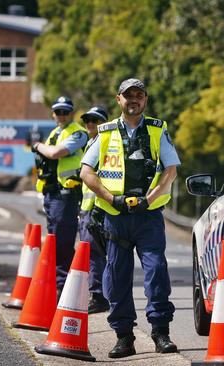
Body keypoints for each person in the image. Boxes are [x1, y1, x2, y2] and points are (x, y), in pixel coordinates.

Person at [80, 78, 180, 358]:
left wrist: (149, 199)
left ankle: (161, 333)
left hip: (148, 217)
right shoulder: (106, 132)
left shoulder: (158, 131)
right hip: (116, 217)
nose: (134, 100)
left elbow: (171, 170)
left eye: (139, 95)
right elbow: (86, 172)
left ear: (145, 100)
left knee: (157, 270)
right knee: (117, 277)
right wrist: (111, 199)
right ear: (118, 100)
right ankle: (124, 337)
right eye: (128, 96)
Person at [32, 96, 88, 296]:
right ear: (53, 113)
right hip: (51, 193)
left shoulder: (78, 133)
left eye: (66, 112)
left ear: (72, 113)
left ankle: (62, 289)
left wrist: (37, 146)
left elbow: (56, 153)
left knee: (63, 243)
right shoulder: (55, 132)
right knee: (54, 242)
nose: (62, 115)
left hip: (66, 195)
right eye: (58, 112)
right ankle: (59, 286)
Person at [77, 106, 110, 314]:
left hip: (97, 208)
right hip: (87, 208)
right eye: (88, 120)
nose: (90, 123)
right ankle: (99, 294)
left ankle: (98, 296)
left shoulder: (103, 144)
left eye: (95, 120)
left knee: (95, 253)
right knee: (92, 253)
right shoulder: (91, 143)